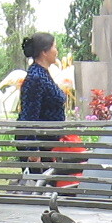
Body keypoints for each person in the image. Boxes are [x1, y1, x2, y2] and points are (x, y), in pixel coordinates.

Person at [17, 32, 67, 172]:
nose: (56, 51)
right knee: (39, 189)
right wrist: (34, 151)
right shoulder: (36, 78)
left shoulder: (42, 74)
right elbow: (29, 116)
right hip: (39, 147)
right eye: (54, 47)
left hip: (47, 143)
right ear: (44, 52)